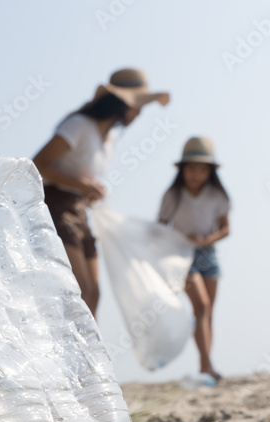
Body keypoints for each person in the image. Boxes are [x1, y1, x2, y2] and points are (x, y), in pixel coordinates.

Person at [33, 68, 169, 319]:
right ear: (119, 103)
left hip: (79, 209)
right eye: (136, 106)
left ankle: (84, 356)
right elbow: (38, 164)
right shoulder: (79, 125)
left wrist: (90, 190)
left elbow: (84, 179)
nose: (139, 113)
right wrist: (83, 185)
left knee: (93, 293)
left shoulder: (110, 138)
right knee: (80, 289)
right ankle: (68, 354)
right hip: (55, 204)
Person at [157, 137, 230, 381]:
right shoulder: (173, 195)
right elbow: (160, 228)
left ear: (209, 171)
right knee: (202, 306)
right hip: (181, 255)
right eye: (191, 168)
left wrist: (207, 240)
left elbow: (226, 228)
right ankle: (206, 364)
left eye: (201, 169)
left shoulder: (216, 195)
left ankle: (206, 364)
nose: (195, 174)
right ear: (182, 170)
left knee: (208, 312)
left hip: (208, 253)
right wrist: (180, 239)